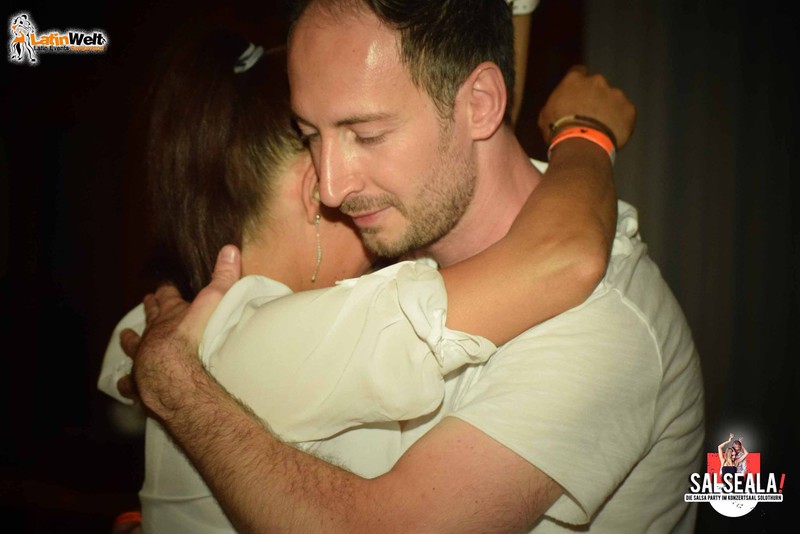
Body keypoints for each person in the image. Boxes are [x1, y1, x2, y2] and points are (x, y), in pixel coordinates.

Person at [121, 1, 704, 532]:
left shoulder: (601, 325)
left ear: (480, 104)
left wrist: (180, 391)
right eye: (309, 135)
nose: (331, 187)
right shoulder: (393, 241)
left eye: (367, 135)